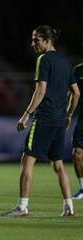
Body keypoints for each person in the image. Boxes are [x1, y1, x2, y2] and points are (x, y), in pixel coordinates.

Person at [5, 25, 80, 217]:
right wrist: (69, 113)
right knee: (58, 164)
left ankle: (22, 208)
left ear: (47, 41)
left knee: (28, 160)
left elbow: (41, 91)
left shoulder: (43, 59)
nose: (32, 44)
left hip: (45, 118)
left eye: (36, 40)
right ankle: (69, 207)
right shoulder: (65, 62)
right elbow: (76, 93)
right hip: (59, 120)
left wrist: (26, 115)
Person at [72, 62, 83, 200]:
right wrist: (69, 113)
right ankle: (82, 188)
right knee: (77, 153)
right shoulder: (78, 70)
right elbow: (74, 93)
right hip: (82, 119)